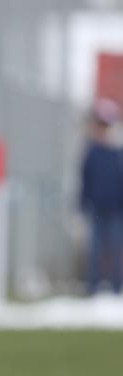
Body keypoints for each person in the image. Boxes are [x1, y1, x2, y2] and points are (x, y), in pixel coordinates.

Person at [80, 99, 123, 295]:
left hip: (116, 210)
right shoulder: (92, 152)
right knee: (95, 251)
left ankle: (117, 288)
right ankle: (93, 289)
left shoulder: (118, 153)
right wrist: (82, 205)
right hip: (96, 209)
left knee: (116, 249)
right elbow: (85, 180)